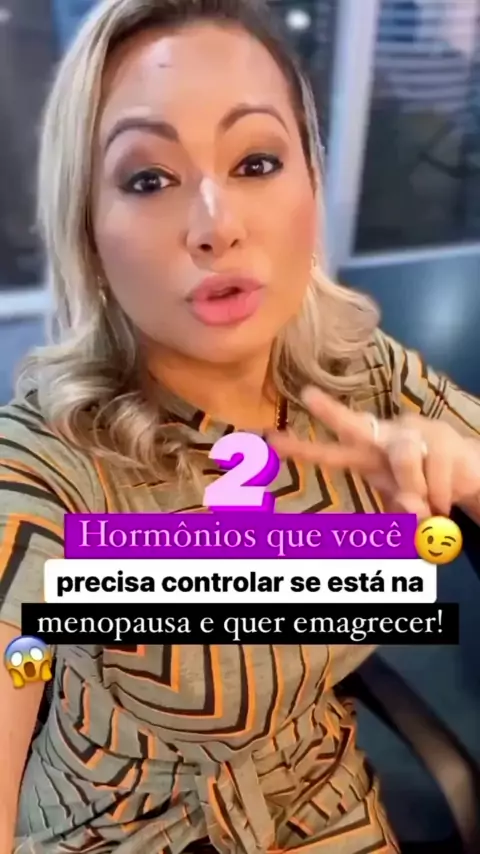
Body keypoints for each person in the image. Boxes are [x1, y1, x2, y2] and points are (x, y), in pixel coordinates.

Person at [1, 0, 480, 852]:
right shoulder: (49, 459)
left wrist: (465, 470)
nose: (216, 225)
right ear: (90, 231)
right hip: (111, 828)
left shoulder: (365, 377)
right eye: (149, 180)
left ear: (311, 185)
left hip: (319, 798)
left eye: (257, 161)